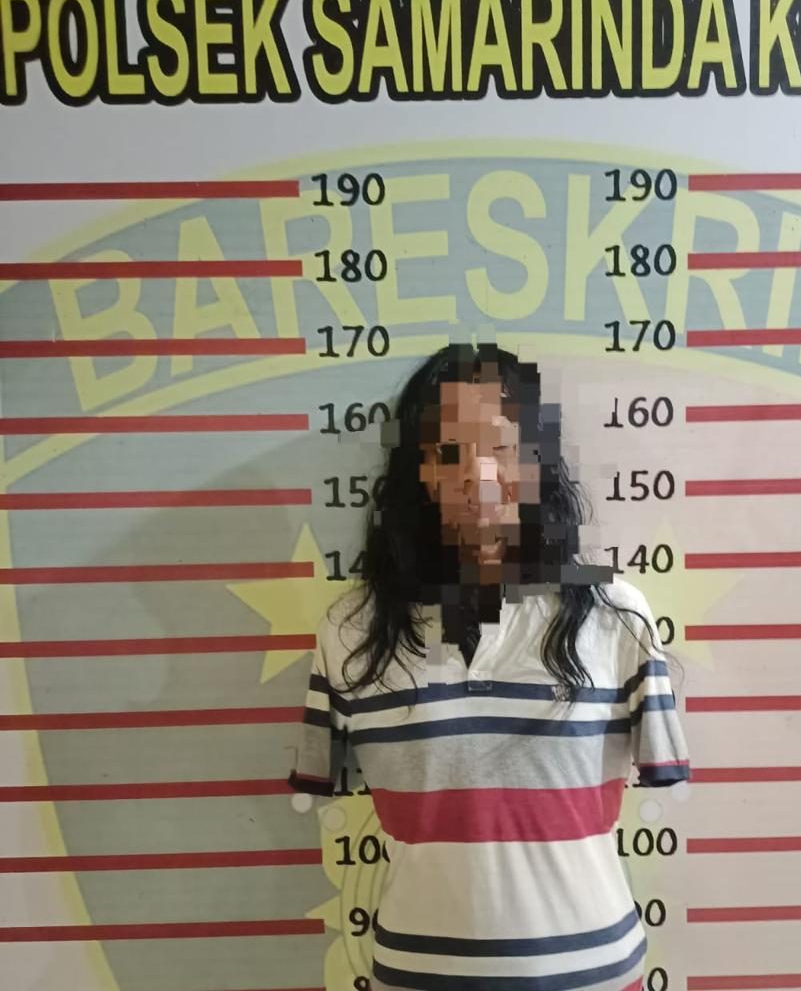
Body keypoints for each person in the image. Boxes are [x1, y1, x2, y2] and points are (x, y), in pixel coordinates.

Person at [288, 341, 690, 991]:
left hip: (593, 974)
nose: (477, 479)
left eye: (501, 446)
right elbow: (321, 785)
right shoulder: (351, 631)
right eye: (448, 453)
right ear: (419, 472)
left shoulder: (616, 616)